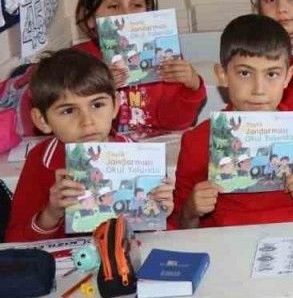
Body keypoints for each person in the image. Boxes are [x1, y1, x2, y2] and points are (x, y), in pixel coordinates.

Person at [172, 15, 293, 228]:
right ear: (222, 75)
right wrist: (191, 209)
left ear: (288, 77)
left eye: (272, 74)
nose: (258, 89)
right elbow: (180, 224)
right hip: (225, 243)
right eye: (245, 73)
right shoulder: (197, 140)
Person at [5, 49, 175, 242]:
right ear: (42, 120)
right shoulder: (41, 161)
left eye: (97, 105)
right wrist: (51, 214)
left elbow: (168, 239)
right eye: (69, 110)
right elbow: (14, 243)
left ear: (115, 105)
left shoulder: (140, 157)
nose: (87, 121)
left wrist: (162, 212)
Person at [71, 0, 206, 135]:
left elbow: (176, 123)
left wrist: (192, 85)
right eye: (114, 6)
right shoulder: (75, 62)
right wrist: (99, 85)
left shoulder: (162, 55)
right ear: (90, 18)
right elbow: (68, 123)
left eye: (136, 4)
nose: (127, 14)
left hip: (154, 146)